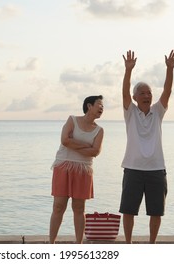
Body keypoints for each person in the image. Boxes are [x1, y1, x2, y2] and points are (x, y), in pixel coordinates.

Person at [119, 50, 174, 244]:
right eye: (142, 93)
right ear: (135, 97)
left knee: (156, 211)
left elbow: (167, 91)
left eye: (149, 93)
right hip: (133, 168)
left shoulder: (158, 111)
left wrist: (169, 69)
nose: (147, 95)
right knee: (128, 210)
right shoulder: (130, 113)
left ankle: (151, 245)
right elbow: (124, 92)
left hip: (156, 169)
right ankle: (128, 245)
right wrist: (128, 70)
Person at [49, 95, 105, 244]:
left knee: (79, 209)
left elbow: (95, 152)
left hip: (83, 170)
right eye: (99, 105)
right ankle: (51, 243)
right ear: (89, 106)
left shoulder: (99, 130)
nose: (101, 108)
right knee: (59, 206)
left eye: (103, 106)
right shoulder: (72, 120)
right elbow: (64, 140)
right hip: (63, 165)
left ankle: (78, 245)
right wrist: (86, 146)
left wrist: (75, 144)